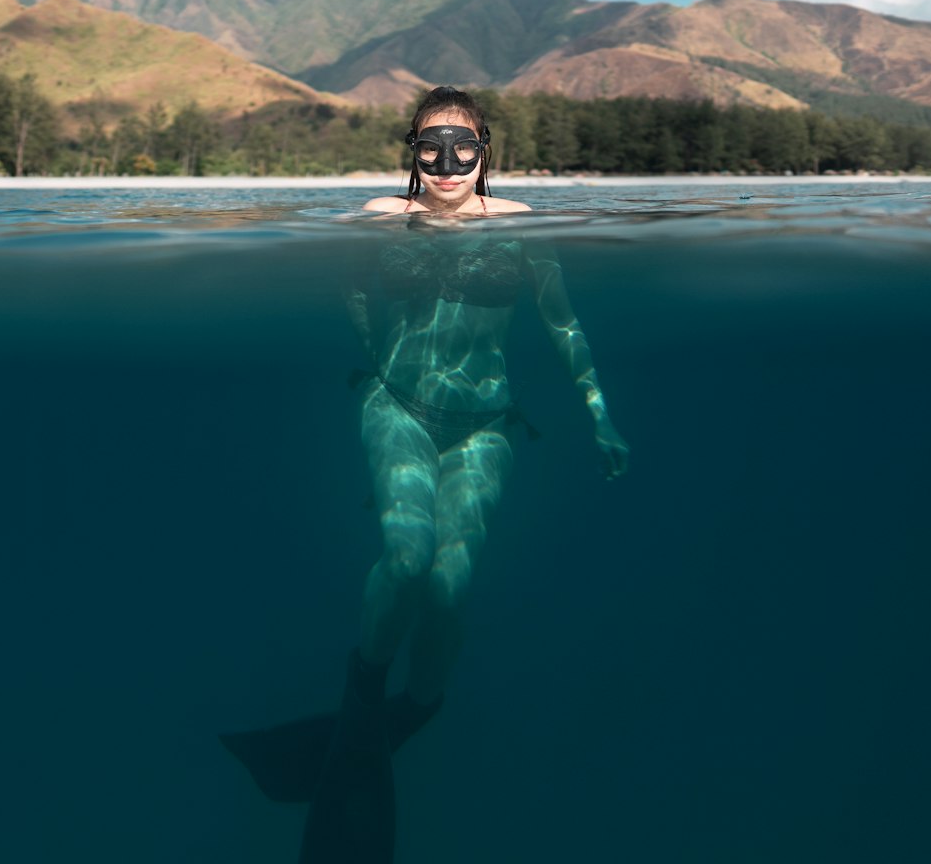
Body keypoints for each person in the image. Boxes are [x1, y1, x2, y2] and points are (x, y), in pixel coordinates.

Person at [223, 86, 628, 863]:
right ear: (412, 150)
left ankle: (415, 709)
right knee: (407, 558)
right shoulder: (382, 215)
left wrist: (600, 414)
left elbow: (564, 324)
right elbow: (345, 284)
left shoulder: (521, 228)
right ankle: (362, 698)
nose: (447, 166)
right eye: (431, 149)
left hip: (486, 422)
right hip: (397, 405)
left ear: (486, 150)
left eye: (464, 148)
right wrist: (375, 355)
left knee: (449, 584)